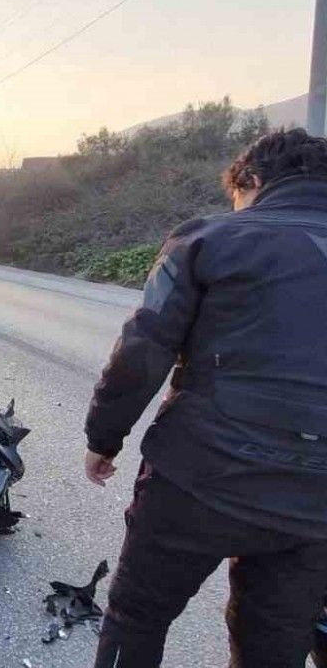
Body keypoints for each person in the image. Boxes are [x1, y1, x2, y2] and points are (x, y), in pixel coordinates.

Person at [84, 128, 327, 668]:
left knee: (136, 617)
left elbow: (142, 352)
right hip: (316, 508)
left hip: (200, 475)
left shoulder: (209, 239)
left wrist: (103, 437)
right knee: (274, 648)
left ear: (252, 180)